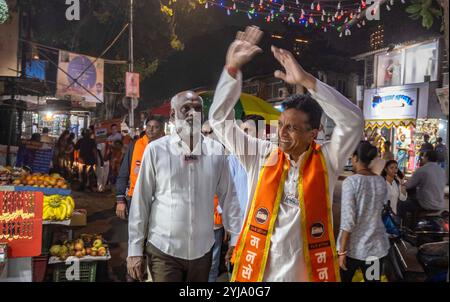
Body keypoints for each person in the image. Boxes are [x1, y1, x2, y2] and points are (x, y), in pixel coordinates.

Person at [209, 26, 364, 282]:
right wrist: (231, 69)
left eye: (292, 128)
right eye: (281, 124)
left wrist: (307, 81)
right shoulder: (260, 154)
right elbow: (219, 120)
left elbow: (354, 121)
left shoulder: (327, 160)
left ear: (313, 133)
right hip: (258, 274)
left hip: (307, 274)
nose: (282, 133)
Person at [127, 91, 242, 282]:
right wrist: (134, 249)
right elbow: (141, 201)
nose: (192, 113)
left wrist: (236, 239)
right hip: (164, 250)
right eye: (185, 108)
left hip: (202, 251)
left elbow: (230, 198)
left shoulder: (216, 151)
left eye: (197, 109)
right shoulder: (156, 150)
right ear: (173, 115)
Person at [337, 141, 390, 282]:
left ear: (355, 158)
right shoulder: (381, 181)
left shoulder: (351, 182)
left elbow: (348, 221)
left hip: (352, 249)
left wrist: (341, 252)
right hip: (376, 248)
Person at [116, 116, 165, 219]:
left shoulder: (166, 148)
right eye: (149, 126)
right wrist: (120, 199)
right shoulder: (135, 145)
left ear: (162, 130)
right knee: (136, 232)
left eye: (155, 127)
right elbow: (124, 173)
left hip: (159, 200)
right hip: (135, 198)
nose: (151, 130)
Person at [398, 150, 447, 221]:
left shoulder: (422, 170)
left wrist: (403, 184)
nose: (422, 158)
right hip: (440, 204)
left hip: (426, 204)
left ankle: (403, 228)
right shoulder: (442, 171)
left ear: (426, 158)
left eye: (423, 157)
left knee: (401, 205)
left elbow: (409, 185)